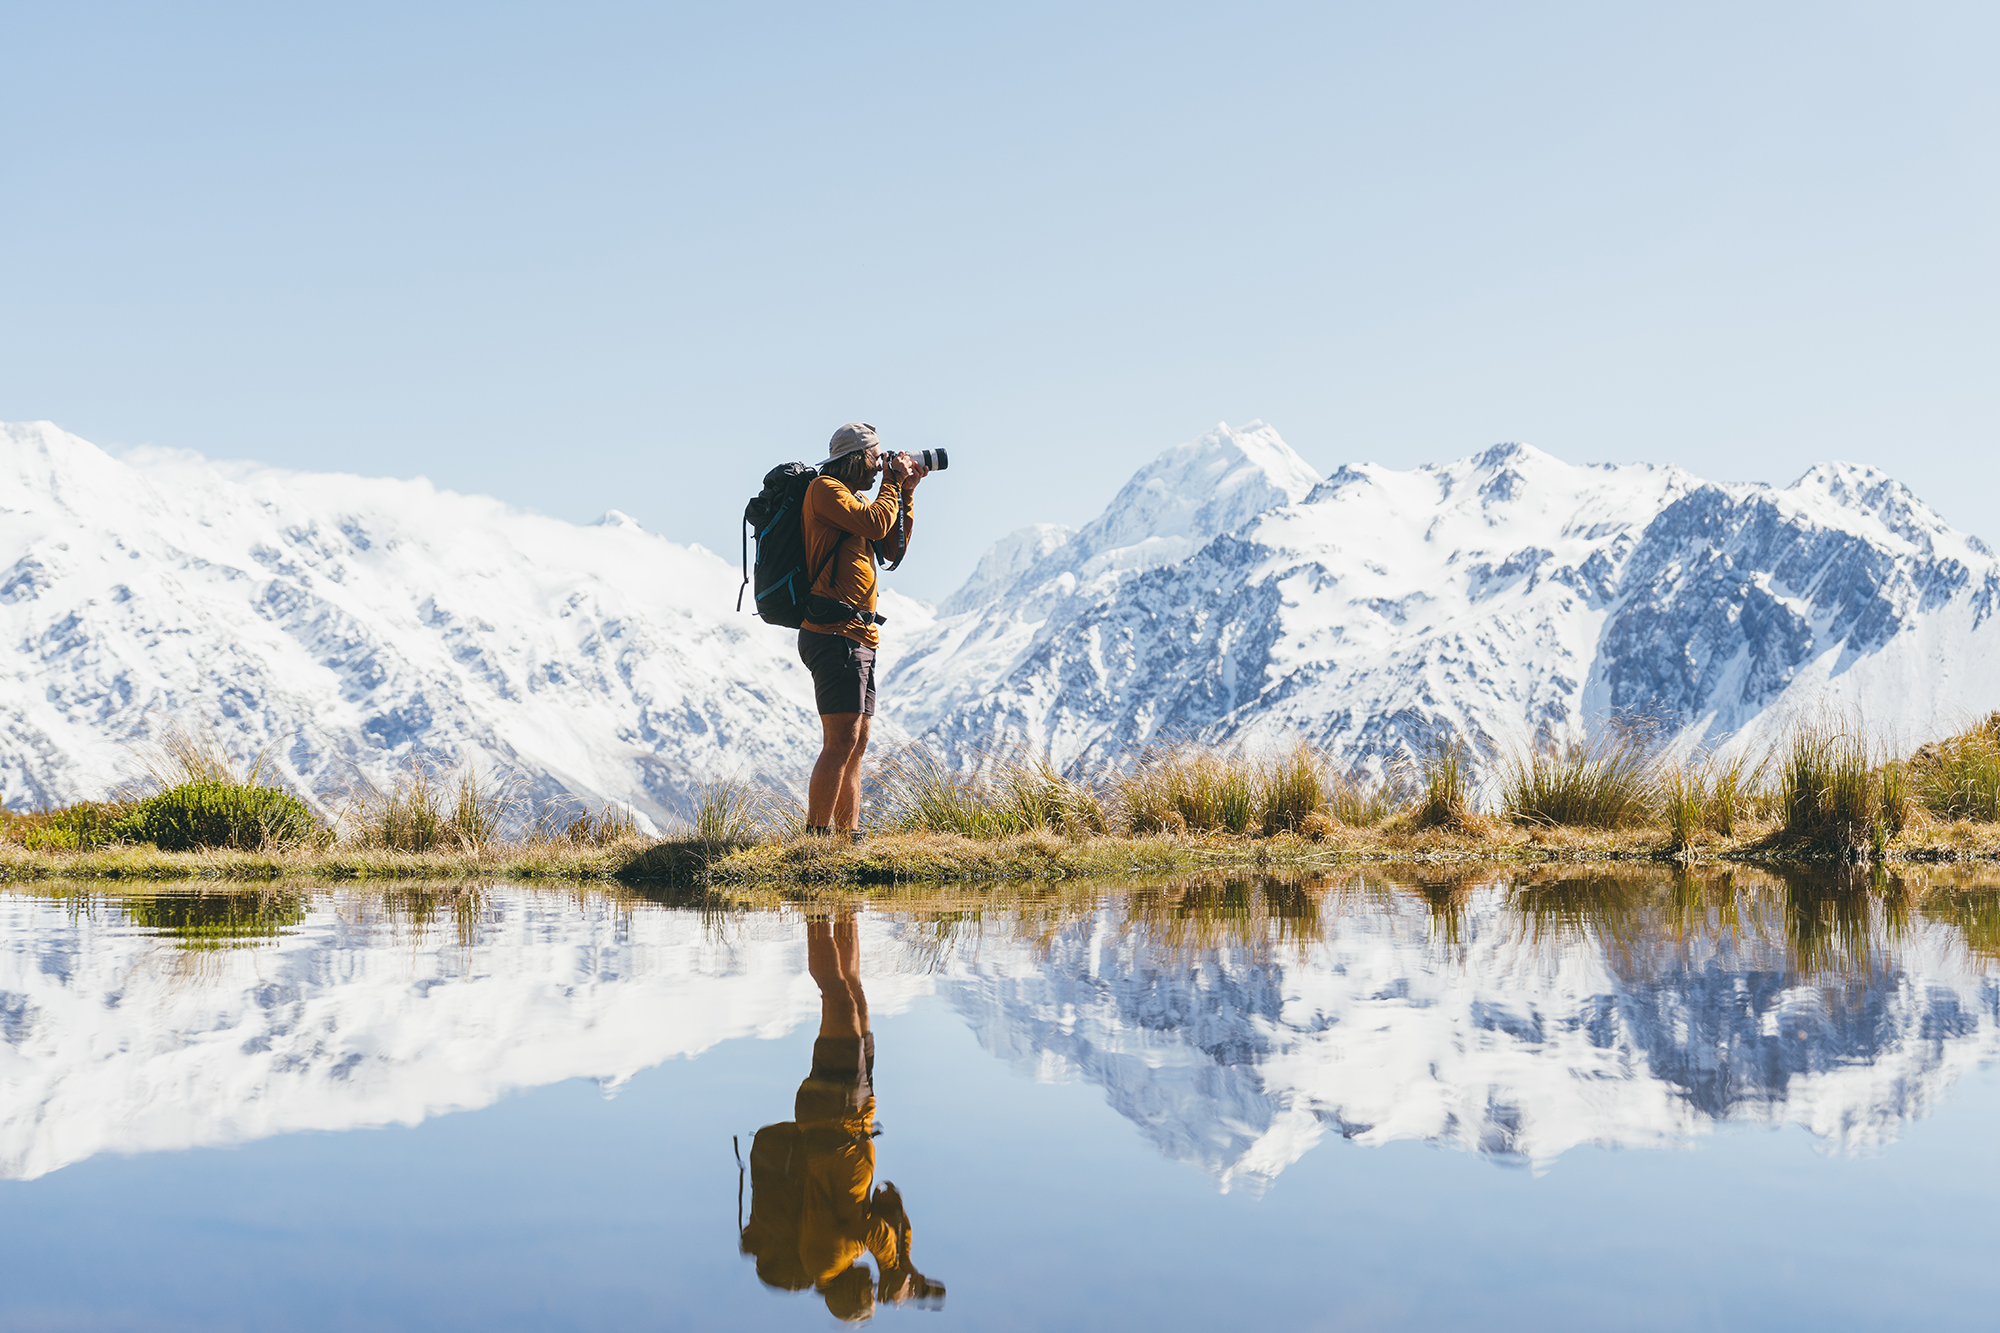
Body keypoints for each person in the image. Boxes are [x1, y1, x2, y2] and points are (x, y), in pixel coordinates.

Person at [737, 912, 944, 1322]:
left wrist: (895, 1268)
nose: (872, 1289)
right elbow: (886, 1205)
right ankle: (844, 908)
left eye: (867, 1293)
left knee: (836, 996)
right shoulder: (832, 1263)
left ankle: (817, 905)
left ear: (851, 1293)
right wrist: (902, 1267)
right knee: (854, 995)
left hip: (835, 1115)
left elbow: (870, 1228)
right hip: (850, 1115)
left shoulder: (830, 1257)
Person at [797, 422, 928, 839]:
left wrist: (905, 492)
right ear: (855, 458)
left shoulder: (853, 499)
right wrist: (891, 483)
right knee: (839, 742)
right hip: (833, 633)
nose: (879, 466)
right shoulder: (825, 490)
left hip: (858, 636)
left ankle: (848, 838)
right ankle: (815, 842)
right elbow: (874, 524)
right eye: (875, 458)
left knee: (855, 745)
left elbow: (891, 548)